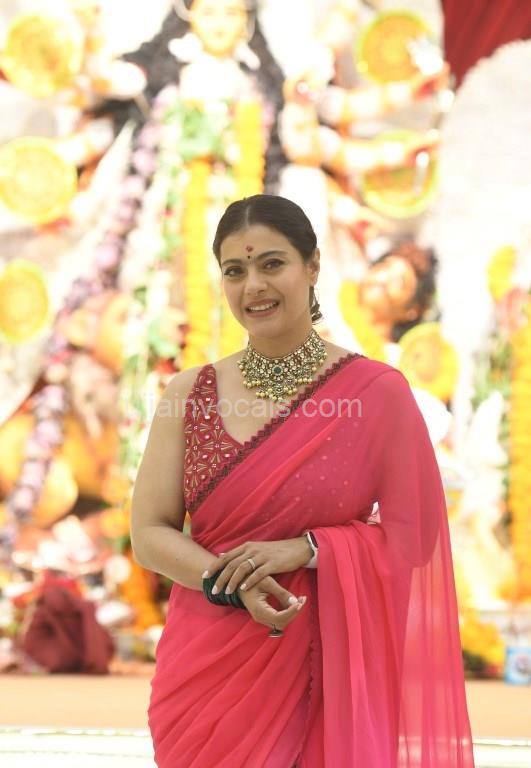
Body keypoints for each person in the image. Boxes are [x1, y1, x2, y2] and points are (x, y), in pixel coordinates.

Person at [130, 194, 475, 767]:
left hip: (323, 665)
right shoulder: (187, 395)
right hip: (206, 672)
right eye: (235, 271)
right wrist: (229, 583)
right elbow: (148, 532)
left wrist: (309, 549)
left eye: (272, 263)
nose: (254, 286)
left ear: (312, 266)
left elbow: (416, 537)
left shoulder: (376, 395)